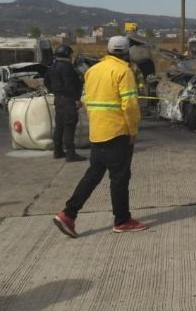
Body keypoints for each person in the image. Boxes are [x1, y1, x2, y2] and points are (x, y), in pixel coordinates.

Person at [52, 36, 147, 238]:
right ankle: (122, 220)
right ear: (126, 52)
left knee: (93, 175)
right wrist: (133, 131)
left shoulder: (92, 70)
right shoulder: (123, 71)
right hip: (117, 132)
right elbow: (129, 105)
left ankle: (68, 214)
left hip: (98, 132)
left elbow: (86, 99)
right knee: (119, 178)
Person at [44, 44, 86, 162]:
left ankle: (57, 151)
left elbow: (46, 81)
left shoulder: (52, 67)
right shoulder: (68, 68)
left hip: (58, 99)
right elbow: (71, 85)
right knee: (69, 126)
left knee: (59, 126)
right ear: (67, 55)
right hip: (68, 99)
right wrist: (76, 99)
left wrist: (54, 91)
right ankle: (70, 154)